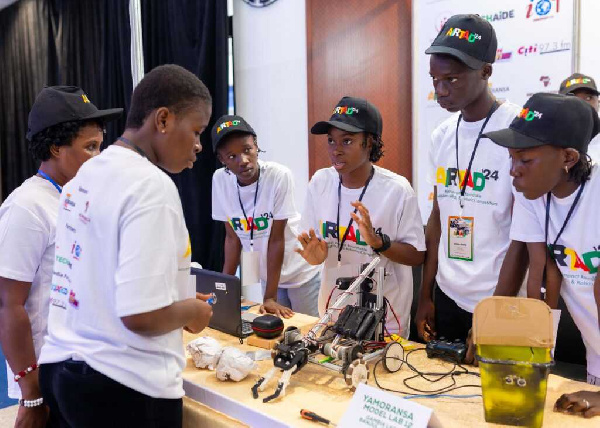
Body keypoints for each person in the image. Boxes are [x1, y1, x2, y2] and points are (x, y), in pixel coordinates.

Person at [37, 65, 213, 428]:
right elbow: (141, 316)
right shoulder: (151, 186)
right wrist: (193, 311)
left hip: (66, 369)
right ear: (162, 119)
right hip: (124, 386)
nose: (198, 146)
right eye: (196, 131)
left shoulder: (85, 175)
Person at [0, 86, 122, 427]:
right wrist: (32, 393)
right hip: (48, 378)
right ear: (56, 147)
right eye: (90, 147)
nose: (99, 157)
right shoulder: (27, 207)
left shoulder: (77, 198)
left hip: (83, 369)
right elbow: (8, 305)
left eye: (101, 146)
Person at [483, 92, 600, 418]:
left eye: (525, 160)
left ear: (568, 157)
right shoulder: (533, 196)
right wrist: (525, 356)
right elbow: (538, 274)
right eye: (511, 159)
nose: (513, 171)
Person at [415, 14, 527, 344]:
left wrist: (494, 315)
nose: (440, 90)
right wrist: (426, 294)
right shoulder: (442, 135)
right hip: (448, 295)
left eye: (451, 80)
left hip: (500, 299)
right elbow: (438, 216)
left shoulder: (518, 131)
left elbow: (524, 234)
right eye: (434, 79)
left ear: (486, 72)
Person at [296, 96, 425, 339]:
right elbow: (318, 252)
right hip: (333, 313)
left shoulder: (397, 190)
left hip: (385, 320)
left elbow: (417, 255)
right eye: (331, 140)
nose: (336, 149)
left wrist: (379, 243)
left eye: (347, 141)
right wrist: (316, 257)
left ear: (370, 143)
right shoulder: (320, 183)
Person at [211, 115, 320, 318]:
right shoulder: (220, 181)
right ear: (222, 159)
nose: (243, 160)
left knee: (309, 335)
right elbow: (232, 239)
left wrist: (269, 297)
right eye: (231, 156)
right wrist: (224, 291)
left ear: (256, 146)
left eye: (247, 150)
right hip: (268, 275)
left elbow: (276, 239)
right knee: (279, 337)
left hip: (299, 271)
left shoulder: (279, 176)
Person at [559, 73, 600, 161]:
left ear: (598, 103)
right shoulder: (551, 141)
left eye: (588, 98)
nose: (583, 104)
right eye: (573, 99)